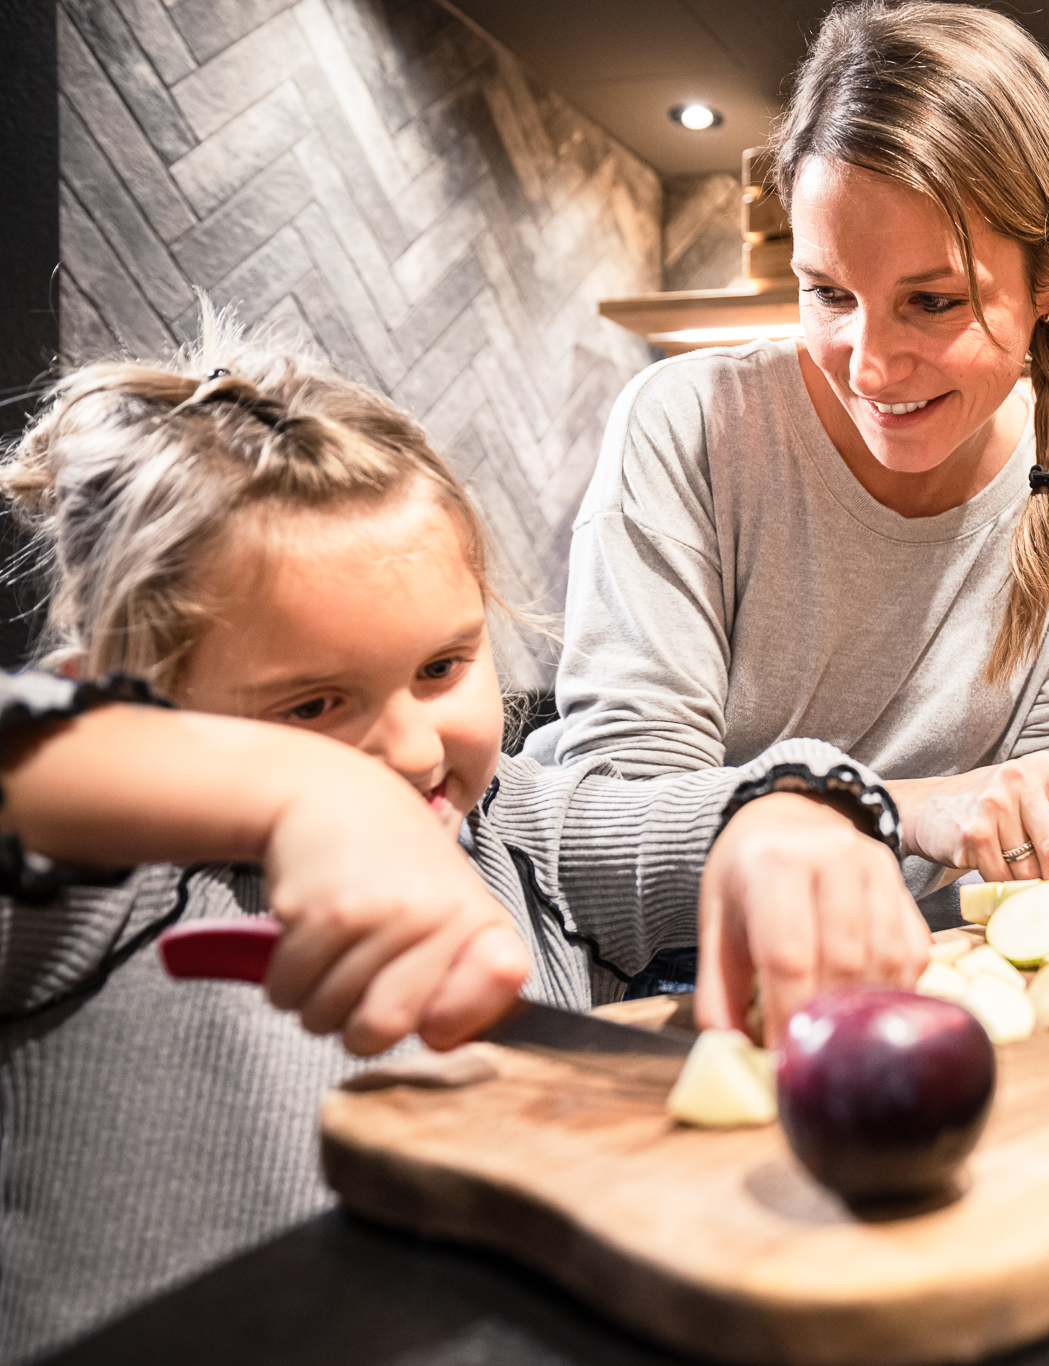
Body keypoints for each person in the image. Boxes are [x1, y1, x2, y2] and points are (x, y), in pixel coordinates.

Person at [0, 331, 921, 1363]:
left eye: (442, 665)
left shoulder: (519, 826)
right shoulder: (106, 880)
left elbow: (734, 806)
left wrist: (790, 819)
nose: (409, 744)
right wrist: (299, 792)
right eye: (311, 704)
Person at [531, 2, 1049, 994]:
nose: (869, 363)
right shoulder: (687, 422)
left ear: (1048, 279)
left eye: (930, 301)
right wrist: (902, 809)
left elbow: (1037, 825)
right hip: (660, 997)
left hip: (896, 981)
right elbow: (616, 860)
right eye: (827, 293)